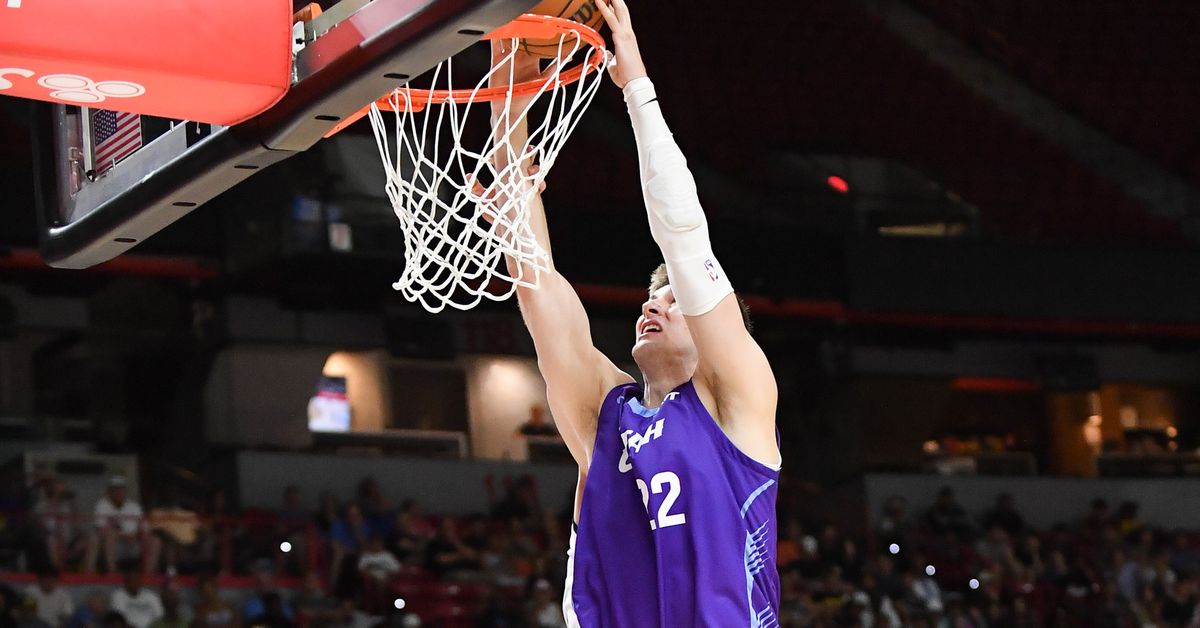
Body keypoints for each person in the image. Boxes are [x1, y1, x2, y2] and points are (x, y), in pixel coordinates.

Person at [485, 0, 782, 623]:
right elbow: (538, 287)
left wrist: (637, 89)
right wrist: (509, 98)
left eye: (673, 296)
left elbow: (682, 234)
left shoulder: (738, 402)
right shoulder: (606, 414)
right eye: (652, 294)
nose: (656, 300)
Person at [93, 477, 160, 574]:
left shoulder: (134, 506)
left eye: (121, 489)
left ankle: (148, 575)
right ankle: (113, 574)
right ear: (110, 491)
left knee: (155, 540)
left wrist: (137, 535)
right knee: (110, 536)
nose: (118, 492)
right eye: (115, 489)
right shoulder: (102, 504)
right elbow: (100, 530)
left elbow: (145, 528)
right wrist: (123, 536)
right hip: (115, 545)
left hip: (134, 543)